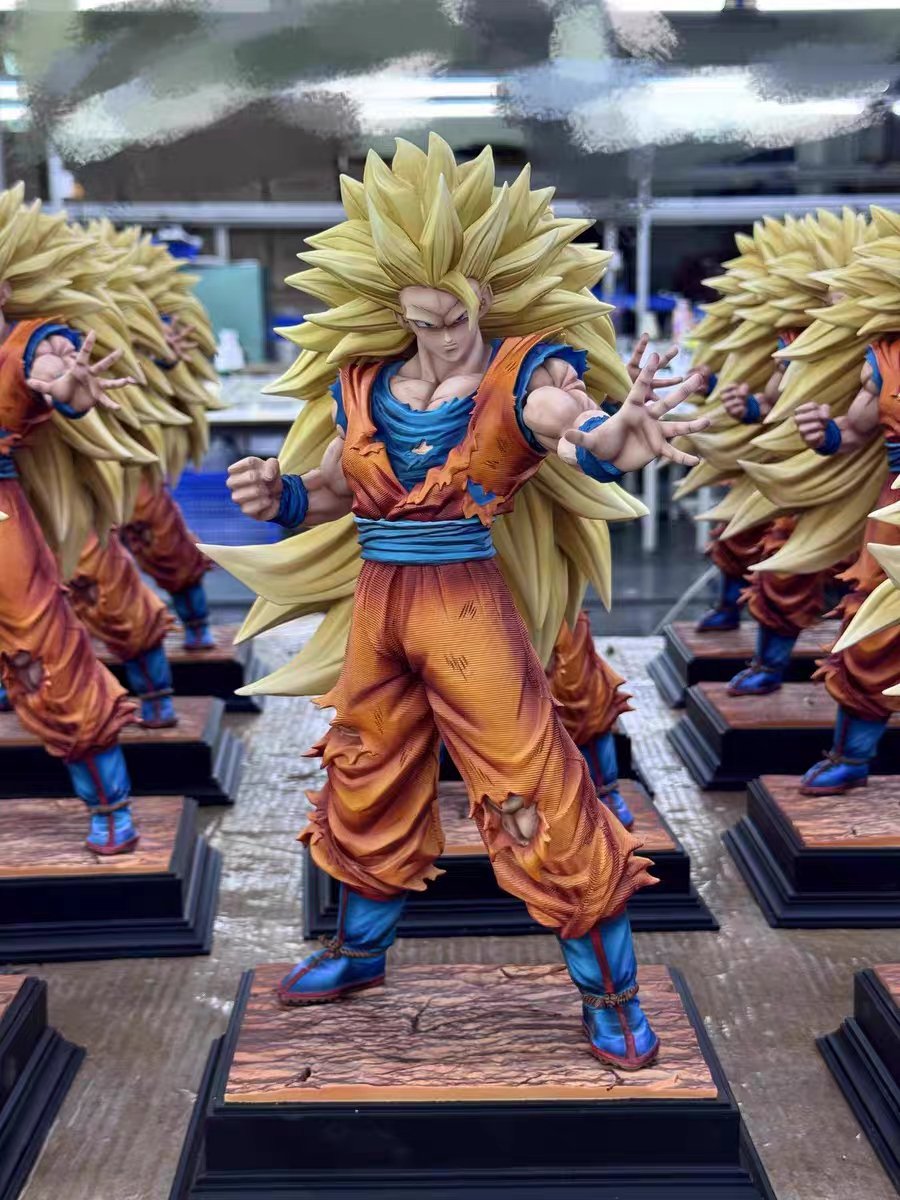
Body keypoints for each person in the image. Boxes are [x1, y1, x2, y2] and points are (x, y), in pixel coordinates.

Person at [221, 136, 708, 1070]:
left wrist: (619, 435)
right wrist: (275, 495)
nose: (441, 335)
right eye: (421, 318)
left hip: (466, 606)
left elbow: (578, 432)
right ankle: (359, 951)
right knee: (364, 770)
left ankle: (610, 994)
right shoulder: (366, 381)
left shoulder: (526, 373)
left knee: (530, 789)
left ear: (484, 295)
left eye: (453, 316)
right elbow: (331, 489)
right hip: (381, 602)